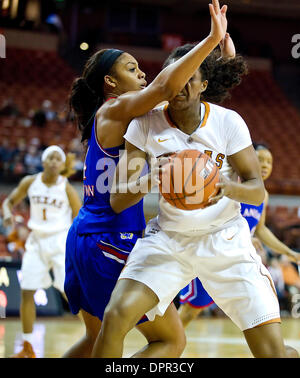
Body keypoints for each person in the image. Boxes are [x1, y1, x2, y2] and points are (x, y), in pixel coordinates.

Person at [94, 39, 300, 359]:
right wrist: (150, 179)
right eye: (173, 76)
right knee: (115, 317)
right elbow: (118, 200)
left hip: (225, 239)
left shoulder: (227, 122)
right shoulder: (145, 124)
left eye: (188, 78)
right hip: (169, 239)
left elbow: (256, 188)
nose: (179, 84)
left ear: (203, 85)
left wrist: (225, 187)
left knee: (272, 354)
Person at [63, 0, 228, 359]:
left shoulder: (131, 117)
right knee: (171, 341)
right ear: (111, 83)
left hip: (87, 236)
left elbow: (185, 95)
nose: (142, 75)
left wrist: (220, 60)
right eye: (132, 68)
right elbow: (167, 88)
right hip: (110, 236)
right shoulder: (113, 108)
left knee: (96, 340)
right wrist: (211, 39)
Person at [179, 143, 300, 328]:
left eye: (269, 161)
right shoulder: (230, 186)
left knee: (261, 305)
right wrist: (240, 235)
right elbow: (210, 220)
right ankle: (168, 345)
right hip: (213, 255)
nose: (266, 165)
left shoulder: (263, 195)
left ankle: (270, 347)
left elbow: (261, 229)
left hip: (239, 259)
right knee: (190, 311)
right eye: (260, 160)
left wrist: (288, 252)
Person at [2, 146, 82, 358]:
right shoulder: (31, 181)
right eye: (51, 158)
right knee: (27, 291)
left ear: (62, 165)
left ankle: (94, 335)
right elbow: (9, 202)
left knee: (70, 291)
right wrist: (7, 213)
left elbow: (79, 216)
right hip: (36, 241)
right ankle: (27, 346)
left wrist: (75, 245)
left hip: (60, 241)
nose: (55, 161)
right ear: (44, 161)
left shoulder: (66, 187)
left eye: (59, 158)